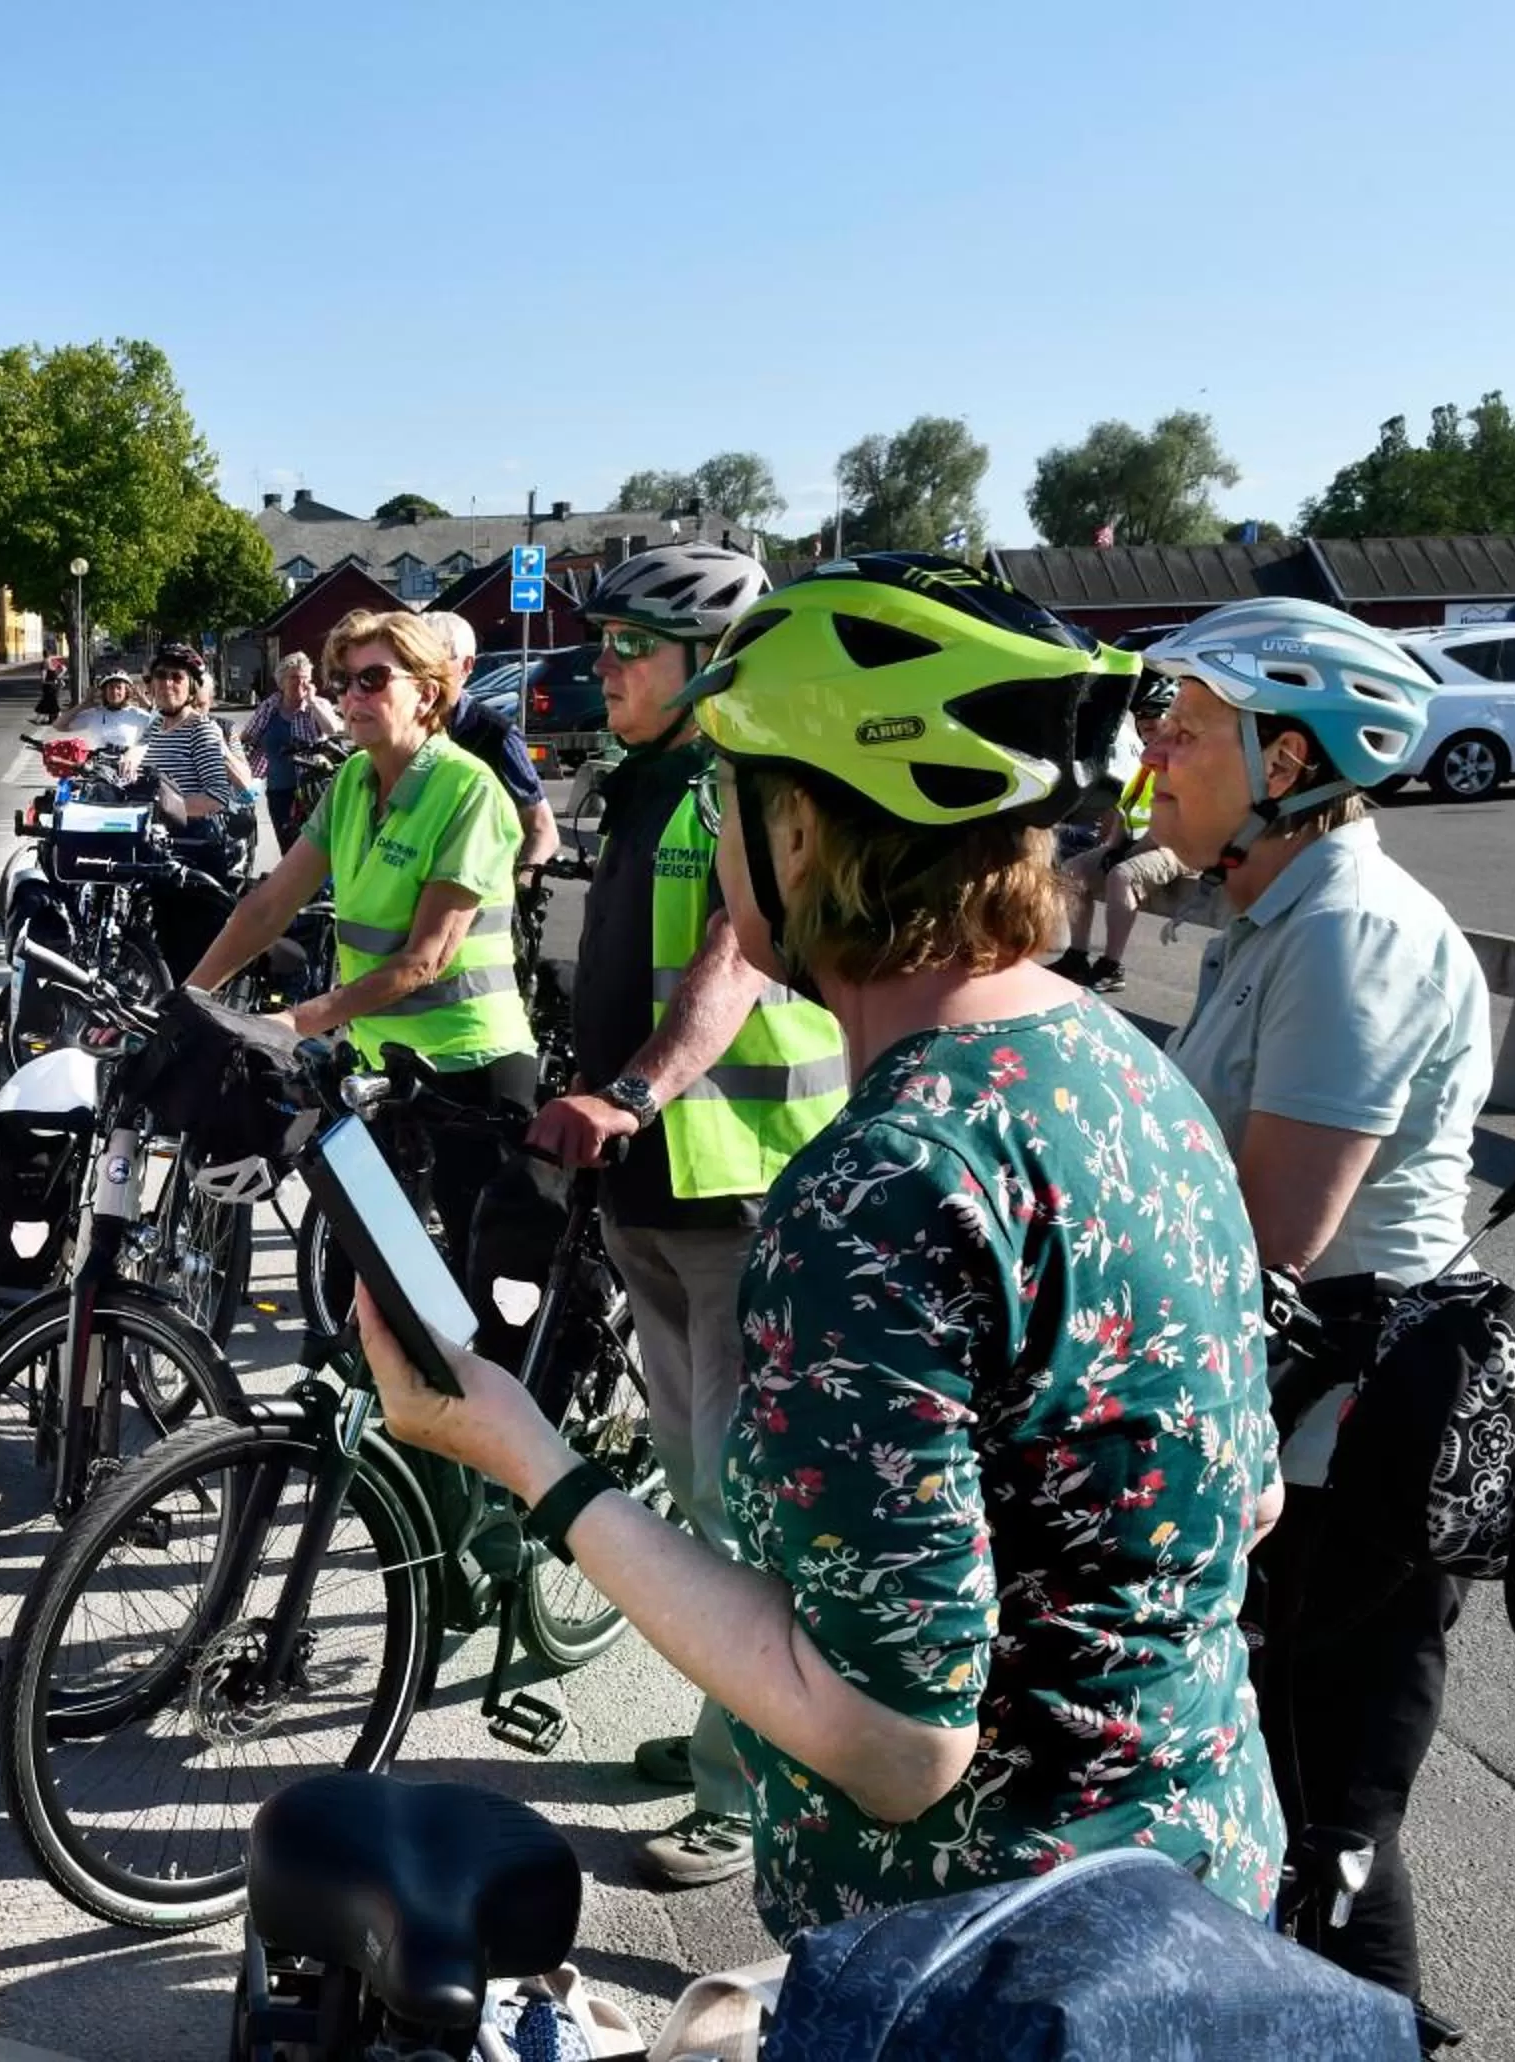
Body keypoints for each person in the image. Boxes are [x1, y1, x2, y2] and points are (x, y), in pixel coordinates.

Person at [358, 550, 1283, 1945]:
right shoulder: (1129, 1070)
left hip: (978, 1966)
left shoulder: (879, 1191)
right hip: (1203, 1889)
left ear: (802, 832)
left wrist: (525, 1460)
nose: (721, 842)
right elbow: (1243, 1501)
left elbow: (896, 1744)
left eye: (736, 797)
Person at [1139, 596, 1488, 2032]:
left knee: (1331, 1817)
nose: (1153, 749)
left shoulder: (1349, 928)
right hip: (1295, 1414)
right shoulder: (1271, 909)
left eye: (1191, 726)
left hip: (1352, 1441)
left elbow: (1272, 1227)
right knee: (1272, 1790)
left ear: (1291, 759)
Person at [524, 541, 845, 1890]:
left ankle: (748, 1785)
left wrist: (637, 1090)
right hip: (653, 1188)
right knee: (697, 1491)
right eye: (599, 644)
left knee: (742, 1508)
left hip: (737, 1179)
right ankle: (727, 1730)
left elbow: (725, 954)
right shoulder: (646, 775)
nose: (602, 668)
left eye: (628, 647)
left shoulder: (744, 782)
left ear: (707, 661)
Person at [186, 608, 538, 1297]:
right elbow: (268, 906)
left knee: (477, 1296)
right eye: (343, 682)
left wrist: (293, 1022)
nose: (351, 698)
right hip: (383, 1069)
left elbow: (423, 961)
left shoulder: (468, 790)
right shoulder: (352, 782)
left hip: (472, 1073)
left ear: (428, 692)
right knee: (363, 1284)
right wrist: (191, 1000)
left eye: (373, 680)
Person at [1048, 674, 1190, 992]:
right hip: (1139, 842)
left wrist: (1126, 853)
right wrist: (1110, 846)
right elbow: (1124, 810)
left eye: (1155, 721)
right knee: (1073, 870)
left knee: (1122, 876)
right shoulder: (1147, 761)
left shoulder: (1185, 763)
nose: (1145, 728)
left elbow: (1179, 825)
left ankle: (1112, 965)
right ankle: (1077, 955)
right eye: (1142, 721)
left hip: (1179, 848)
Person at [130, 641, 256, 981]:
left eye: (176, 677)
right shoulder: (156, 726)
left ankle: (196, 1023)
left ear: (191, 687)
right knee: (164, 945)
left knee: (191, 953)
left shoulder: (199, 729)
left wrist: (165, 810)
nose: (167, 684)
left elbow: (217, 797)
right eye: (160, 676)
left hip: (195, 850)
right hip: (162, 849)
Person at [424, 609, 562, 879]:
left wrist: (519, 889)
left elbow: (542, 829)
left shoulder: (496, 735)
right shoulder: (400, 731)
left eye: (433, 660)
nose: (421, 673)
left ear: (466, 666)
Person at [238, 651, 342, 848]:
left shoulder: (318, 705)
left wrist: (311, 703)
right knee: (287, 844)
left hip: (315, 789)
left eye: (304, 679)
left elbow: (332, 730)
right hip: (280, 789)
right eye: (293, 678)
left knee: (317, 847)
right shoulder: (269, 707)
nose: (299, 683)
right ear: (281, 681)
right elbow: (247, 736)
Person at [55, 665, 152, 755]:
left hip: (126, 769)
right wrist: (83, 705)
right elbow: (59, 725)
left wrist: (148, 706)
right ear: (104, 692)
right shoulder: (94, 714)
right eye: (111, 688)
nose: (114, 692)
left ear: (127, 691)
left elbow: (162, 726)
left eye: (119, 688)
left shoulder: (137, 714)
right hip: (98, 769)